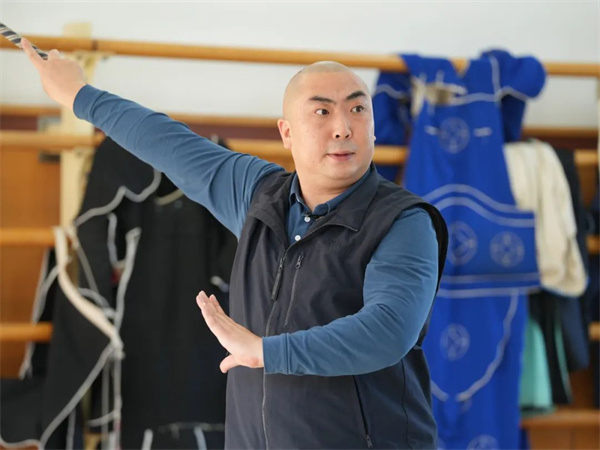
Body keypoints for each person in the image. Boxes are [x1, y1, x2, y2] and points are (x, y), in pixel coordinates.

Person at [22, 38, 448, 449]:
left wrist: (266, 352)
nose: (343, 128)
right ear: (287, 133)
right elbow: (164, 141)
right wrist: (78, 93)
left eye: (358, 109)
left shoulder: (404, 221)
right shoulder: (255, 195)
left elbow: (387, 331)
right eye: (322, 111)